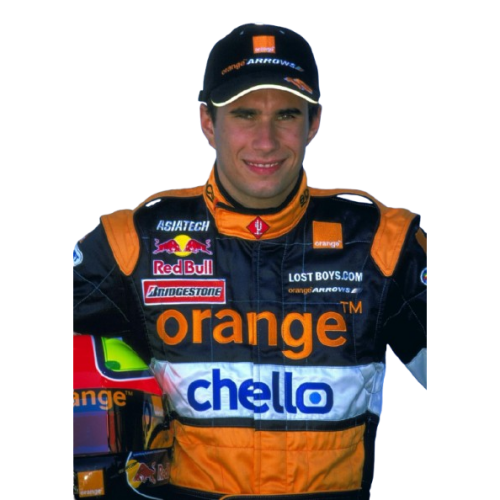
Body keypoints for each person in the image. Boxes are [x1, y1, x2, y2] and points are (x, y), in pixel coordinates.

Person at [73, 22, 427, 500]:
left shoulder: (381, 243)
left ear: (314, 122)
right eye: (245, 114)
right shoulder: (134, 242)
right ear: (207, 121)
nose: (265, 141)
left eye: (286, 114)